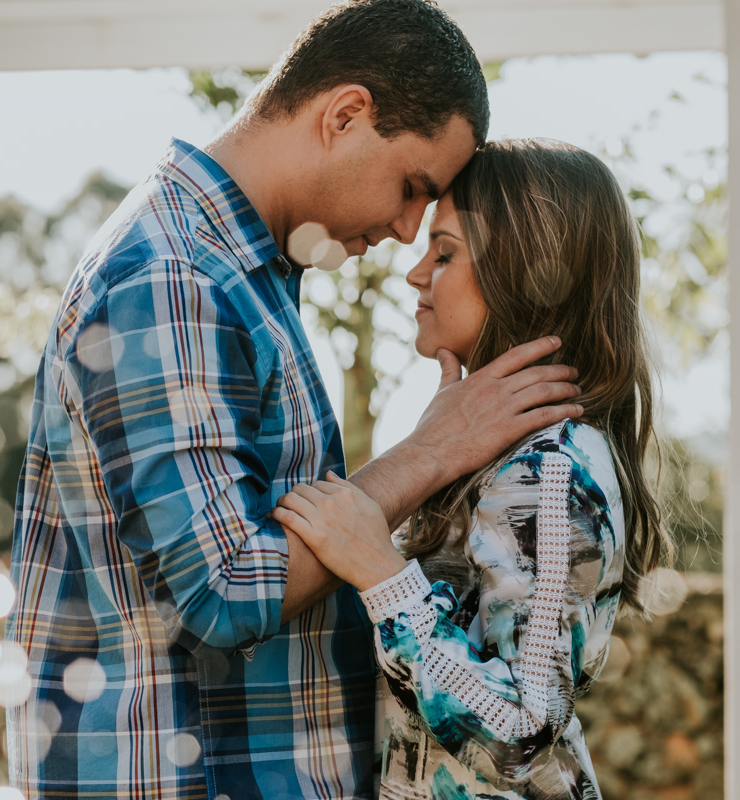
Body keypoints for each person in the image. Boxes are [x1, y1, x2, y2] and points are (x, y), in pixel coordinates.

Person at [6, 3, 583, 798]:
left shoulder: (242, 275)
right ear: (344, 115)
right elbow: (226, 590)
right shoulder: (174, 280)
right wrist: (429, 454)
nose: (408, 227)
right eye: (413, 187)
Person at [275, 139, 669, 799]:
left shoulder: (550, 468)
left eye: (447, 251)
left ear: (528, 271)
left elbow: (523, 731)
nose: (415, 272)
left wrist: (381, 573)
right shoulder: (502, 457)